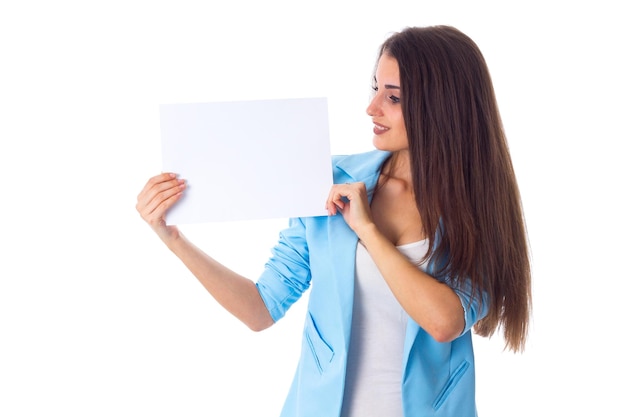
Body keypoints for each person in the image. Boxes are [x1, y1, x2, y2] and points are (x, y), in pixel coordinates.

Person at [136, 25, 532, 417]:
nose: (372, 108)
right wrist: (173, 239)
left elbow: (444, 322)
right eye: (374, 88)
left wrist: (368, 231)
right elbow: (260, 309)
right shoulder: (331, 181)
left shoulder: (479, 207)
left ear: (442, 106)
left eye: (392, 97)